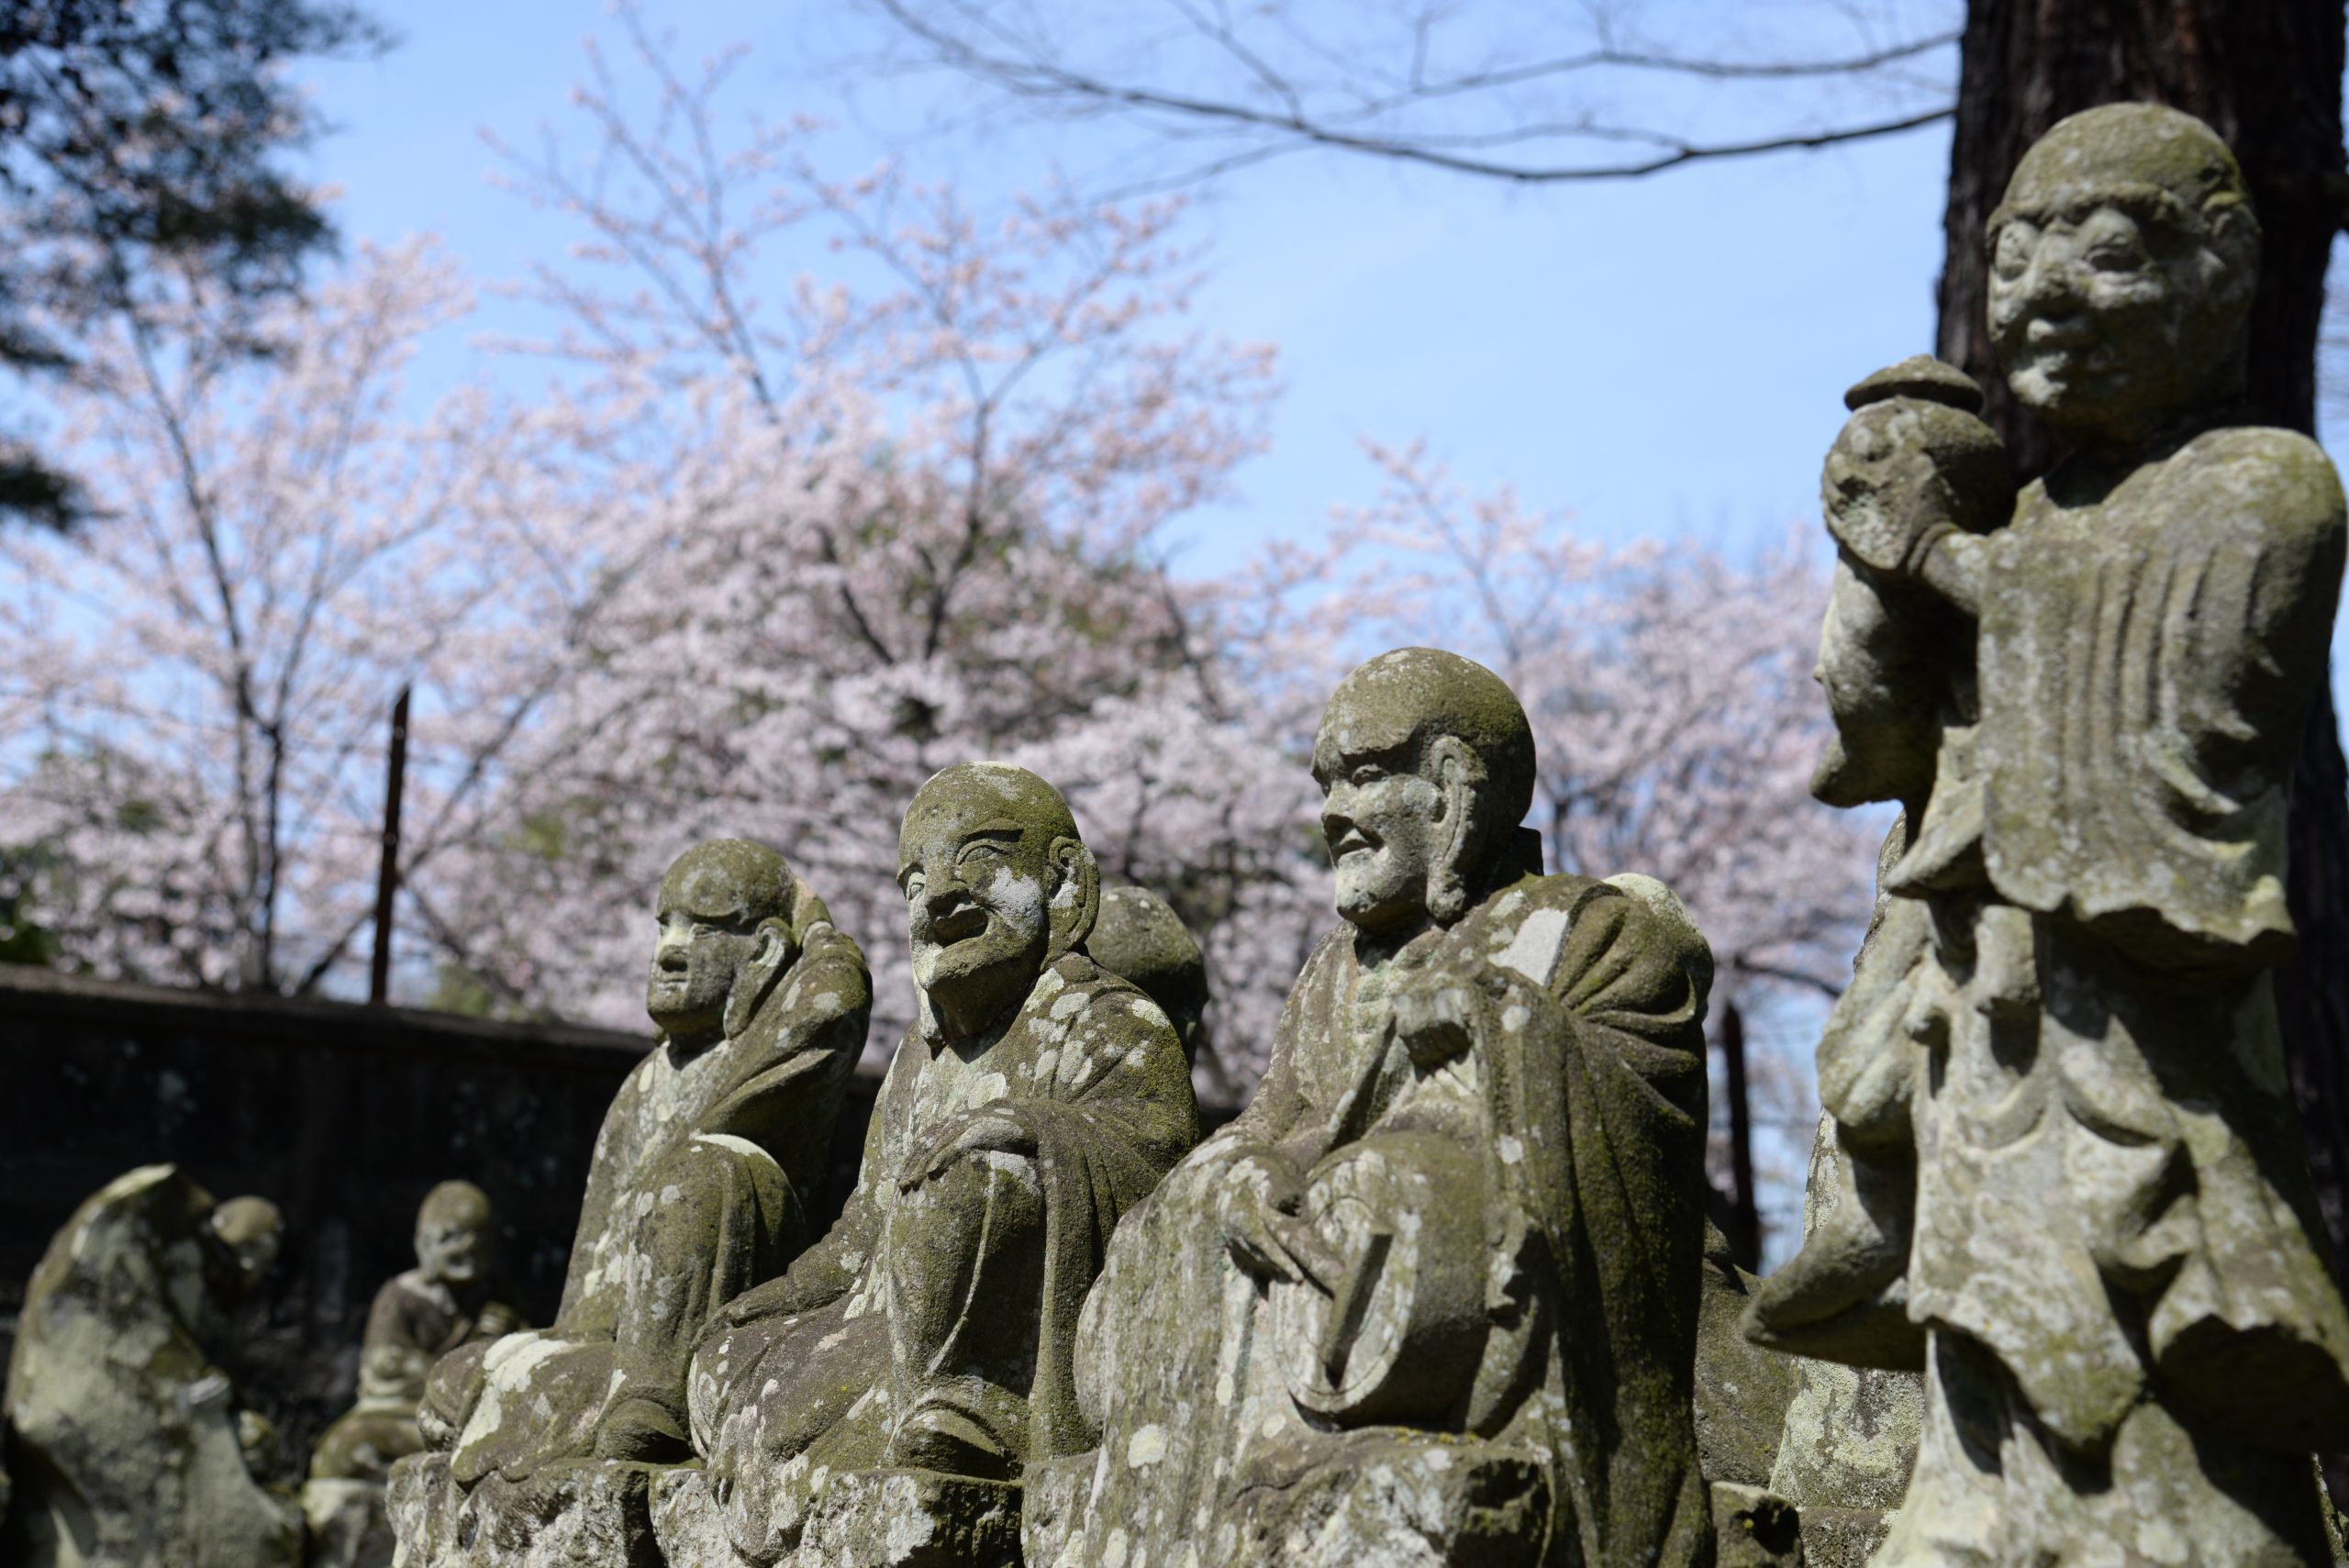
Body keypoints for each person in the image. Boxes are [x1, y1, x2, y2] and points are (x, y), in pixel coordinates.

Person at [1754, 104, 2349, 1568]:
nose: (2046, 294)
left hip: (2142, 1060)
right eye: (2017, 256)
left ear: (2220, 272)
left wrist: (1949, 562)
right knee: (1977, 1405)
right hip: (1985, 1042)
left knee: (2159, 1430)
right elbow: (1909, 767)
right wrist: (1882, 589)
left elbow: (2175, 741)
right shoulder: (2015, 521)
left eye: (2106, 249)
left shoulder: (2258, 488)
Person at [1040, 649, 1718, 1568]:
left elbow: (1639, 1127)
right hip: (1315, 1264)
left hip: (1454, 1285)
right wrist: (1244, 1169)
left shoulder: (1588, 929)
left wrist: (1494, 1016)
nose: (1332, 813)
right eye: (1325, 782)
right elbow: (1275, 1115)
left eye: (1362, 775)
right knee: (1191, 1202)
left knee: (1398, 1190)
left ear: (1452, 787)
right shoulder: (1333, 968)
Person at [683, 763, 1198, 1562]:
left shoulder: (1106, 1020)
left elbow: (1154, 1169)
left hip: (1002, 1319)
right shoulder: (914, 1064)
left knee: (977, 1173)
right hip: (882, 1316)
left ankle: (974, 1403)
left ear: (1062, 882)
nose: (940, 895)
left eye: (980, 861)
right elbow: (861, 1235)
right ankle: (893, 1405)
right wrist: (769, 1301)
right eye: (914, 879)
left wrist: (1026, 1131)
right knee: (727, 1360)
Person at [419, 838, 871, 1483]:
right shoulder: (641, 1084)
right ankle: (610, 1392)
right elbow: (588, 1278)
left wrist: (821, 934)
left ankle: (649, 1396)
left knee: (703, 1169)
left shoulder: (771, 1047)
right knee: (451, 1379)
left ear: (764, 951)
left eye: (703, 926)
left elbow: (830, 1004)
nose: (669, 949)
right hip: (604, 1344)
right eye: (664, 925)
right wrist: (556, 1344)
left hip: (715, 1334)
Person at [2, 1166, 298, 1568]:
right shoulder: (114, 1314)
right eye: (248, 1251)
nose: (252, 1266)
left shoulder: (211, 1305)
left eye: (262, 1254)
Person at [310, 1181, 523, 1483]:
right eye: (450, 1238)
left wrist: (499, 1342)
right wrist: (466, 1365)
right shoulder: (400, 1296)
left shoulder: (497, 1300)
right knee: (352, 1444)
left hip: (479, 1419)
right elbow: (385, 1370)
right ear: (423, 1244)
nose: (466, 1248)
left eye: (478, 1240)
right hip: (409, 1413)